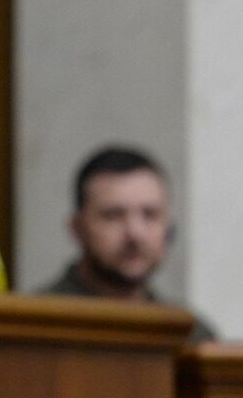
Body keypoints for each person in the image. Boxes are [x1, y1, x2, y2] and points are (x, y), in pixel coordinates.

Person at [42, 146, 217, 342]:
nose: (135, 233)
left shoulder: (190, 335)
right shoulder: (37, 325)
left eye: (150, 214)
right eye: (113, 215)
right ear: (77, 228)